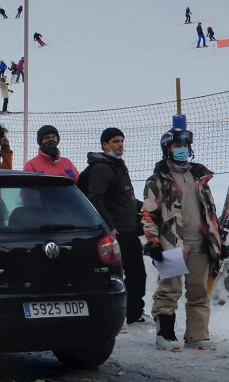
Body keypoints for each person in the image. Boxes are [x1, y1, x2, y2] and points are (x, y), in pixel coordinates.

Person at [142, 128, 226, 351]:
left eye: (185, 146)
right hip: (171, 243)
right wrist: (153, 242)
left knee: (199, 291)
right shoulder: (158, 180)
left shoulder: (199, 178)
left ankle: (197, 335)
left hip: (201, 243)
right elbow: (148, 214)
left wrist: (219, 242)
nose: (182, 149)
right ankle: (165, 334)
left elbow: (210, 212)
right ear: (167, 149)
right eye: (177, 146)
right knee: (169, 290)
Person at [79, 127, 144, 325]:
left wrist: (145, 207)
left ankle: (134, 313)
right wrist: (110, 226)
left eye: (122, 141)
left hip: (129, 230)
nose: (120, 145)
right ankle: (113, 315)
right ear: (105, 145)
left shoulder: (118, 165)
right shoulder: (102, 168)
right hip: (116, 233)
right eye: (115, 141)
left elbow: (124, 197)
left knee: (137, 274)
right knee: (114, 276)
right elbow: (95, 199)